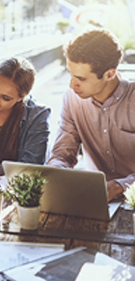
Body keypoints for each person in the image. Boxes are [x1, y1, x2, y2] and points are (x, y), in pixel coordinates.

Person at [47, 28, 135, 202]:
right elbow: (63, 153)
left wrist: (118, 186)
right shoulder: (73, 99)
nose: (72, 85)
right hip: (95, 201)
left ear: (109, 74)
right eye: (71, 75)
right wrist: (55, 173)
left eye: (81, 78)